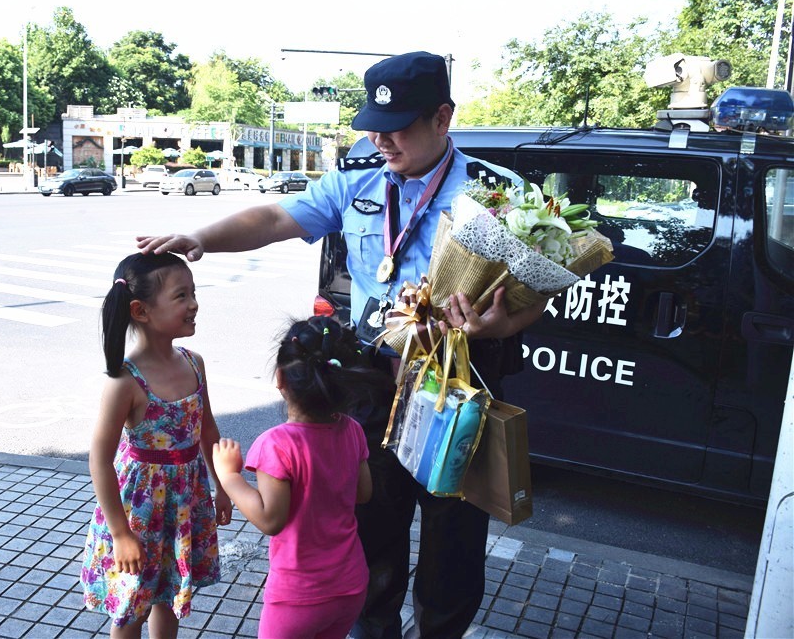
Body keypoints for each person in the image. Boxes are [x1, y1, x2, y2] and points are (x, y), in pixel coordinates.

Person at [138, 51, 546, 638]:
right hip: (371, 386)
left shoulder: (497, 196)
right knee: (370, 531)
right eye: (373, 126)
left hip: (462, 387)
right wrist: (201, 237)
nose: (382, 139)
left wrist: (497, 326)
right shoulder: (355, 183)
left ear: (442, 117)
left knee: (453, 543)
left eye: (398, 125)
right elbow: (274, 219)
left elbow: (534, 297)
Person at [212, 316, 395, 639]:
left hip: (298, 597)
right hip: (350, 586)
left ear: (280, 378)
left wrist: (229, 477)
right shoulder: (352, 430)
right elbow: (362, 493)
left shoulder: (277, 445)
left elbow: (271, 520)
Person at [80, 252, 232, 639]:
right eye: (181, 296)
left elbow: (207, 430)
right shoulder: (124, 382)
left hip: (184, 500)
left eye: (193, 293)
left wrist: (222, 487)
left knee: (169, 593)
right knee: (133, 602)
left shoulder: (194, 363)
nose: (194, 303)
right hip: (140, 510)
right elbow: (99, 457)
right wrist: (120, 533)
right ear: (140, 310)